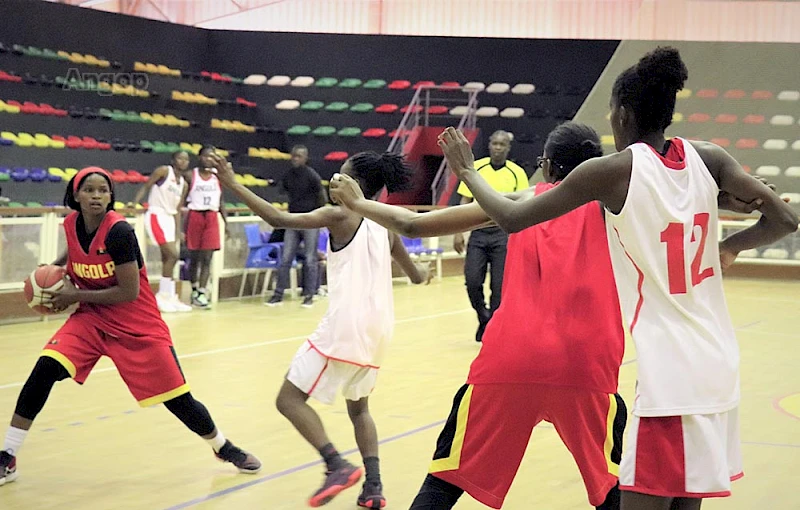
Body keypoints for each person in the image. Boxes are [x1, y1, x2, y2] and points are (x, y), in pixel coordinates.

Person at [436, 47, 799, 510]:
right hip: (718, 361)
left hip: (671, 372)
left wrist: (467, 170)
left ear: (623, 114)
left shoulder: (612, 171)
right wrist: (729, 246)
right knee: (684, 502)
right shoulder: (710, 158)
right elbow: (784, 219)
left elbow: (511, 217)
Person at [332, 122, 626, 509]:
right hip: (586, 363)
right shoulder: (617, 210)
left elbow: (412, 224)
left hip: (511, 359)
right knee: (614, 491)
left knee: (443, 481)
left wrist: (357, 203)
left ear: (547, 166)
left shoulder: (520, 200)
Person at [0, 167, 261, 489]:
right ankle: (8, 455)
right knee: (43, 371)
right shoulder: (70, 224)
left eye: (103, 190)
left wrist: (72, 294)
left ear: (111, 197)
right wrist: (50, 276)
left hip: (136, 323)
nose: (97, 195)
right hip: (92, 318)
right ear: (76, 195)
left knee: (178, 399)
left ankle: (223, 447)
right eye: (90, 190)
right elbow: (71, 256)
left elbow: (128, 292)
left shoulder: (119, 232)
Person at [208, 150, 431, 508]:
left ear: (357, 185)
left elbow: (277, 216)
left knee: (288, 399)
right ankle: (373, 487)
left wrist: (232, 184)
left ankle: (335, 464)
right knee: (359, 410)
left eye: (342, 176)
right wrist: (425, 275)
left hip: (345, 326)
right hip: (378, 333)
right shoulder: (386, 224)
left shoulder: (340, 214)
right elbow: (416, 275)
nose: (334, 181)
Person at [452, 130, 528, 342]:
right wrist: (459, 231)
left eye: (502, 144)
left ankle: (493, 327)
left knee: (499, 287)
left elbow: (521, 205)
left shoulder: (517, 173)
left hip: (503, 235)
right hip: (477, 233)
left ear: (508, 148)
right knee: (473, 281)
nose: (497, 147)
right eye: (494, 143)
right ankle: (483, 318)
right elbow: (465, 200)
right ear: (489, 145)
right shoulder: (476, 168)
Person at [130, 150, 192, 313]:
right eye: (180, 158)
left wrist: (179, 231)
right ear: (173, 159)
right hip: (157, 214)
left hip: (170, 219)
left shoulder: (184, 184)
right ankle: (162, 295)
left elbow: (178, 210)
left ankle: (169, 295)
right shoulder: (164, 171)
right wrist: (134, 203)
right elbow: (146, 186)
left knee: (168, 258)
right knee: (173, 255)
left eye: (186, 159)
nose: (183, 162)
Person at [266, 145, 327, 308]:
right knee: (285, 258)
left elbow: (322, 196)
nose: (295, 159)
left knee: (310, 259)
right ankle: (278, 295)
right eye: (293, 156)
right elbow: (281, 188)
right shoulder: (289, 175)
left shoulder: (312, 175)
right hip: (292, 220)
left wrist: (320, 218)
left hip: (310, 221)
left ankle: (309, 295)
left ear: (305, 158)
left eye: (299, 156)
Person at [184, 145, 227, 309]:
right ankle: (194, 288)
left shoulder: (218, 177)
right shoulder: (191, 175)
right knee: (194, 257)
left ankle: (202, 292)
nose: (209, 159)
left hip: (211, 217)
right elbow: (182, 200)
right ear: (200, 157)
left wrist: (226, 222)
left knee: (207, 257)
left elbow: (221, 201)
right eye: (206, 156)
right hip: (195, 215)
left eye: (212, 157)